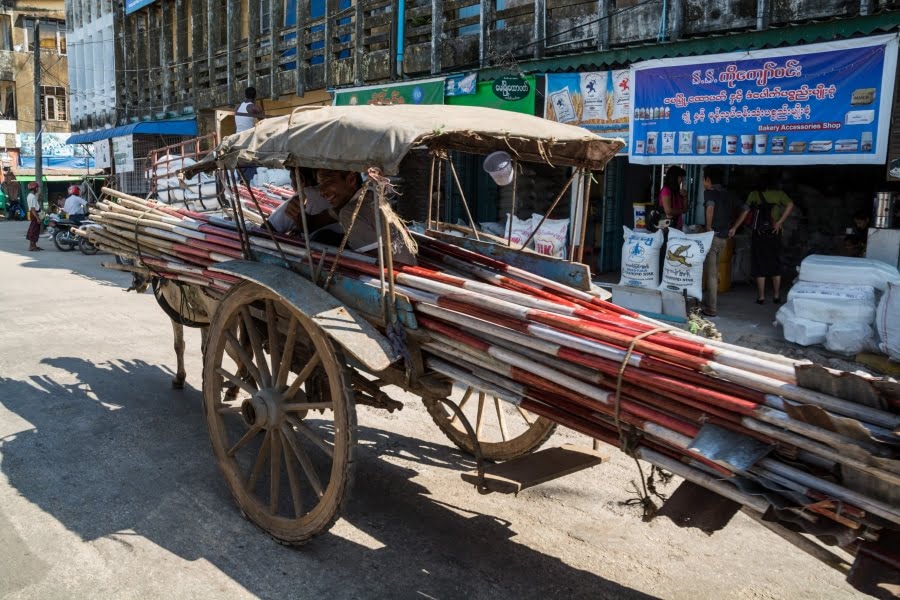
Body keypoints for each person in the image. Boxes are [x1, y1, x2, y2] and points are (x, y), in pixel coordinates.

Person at [735, 181, 795, 305]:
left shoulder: (754, 194)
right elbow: (790, 204)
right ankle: (777, 295)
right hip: (775, 231)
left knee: (759, 263)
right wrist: (780, 222)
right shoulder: (779, 194)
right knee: (775, 263)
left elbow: (745, 211)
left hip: (759, 233)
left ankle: (761, 297)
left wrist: (735, 227)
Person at [700, 166, 747, 317]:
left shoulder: (709, 193)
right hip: (724, 238)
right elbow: (746, 209)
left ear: (708, 179)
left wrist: (708, 227)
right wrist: (734, 228)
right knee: (716, 271)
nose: (703, 182)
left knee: (712, 273)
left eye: (703, 179)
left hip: (713, 237)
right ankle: (711, 302)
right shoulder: (729, 194)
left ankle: (711, 308)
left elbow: (710, 208)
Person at [658, 165, 686, 230]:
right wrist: (682, 210)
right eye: (680, 177)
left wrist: (685, 197)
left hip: (677, 226)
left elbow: (685, 209)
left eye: (682, 177)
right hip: (667, 227)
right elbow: (668, 211)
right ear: (674, 177)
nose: (681, 180)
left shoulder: (677, 192)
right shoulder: (666, 190)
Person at [25, 182, 42, 251]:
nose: (38, 189)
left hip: (35, 213)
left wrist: (39, 200)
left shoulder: (32, 196)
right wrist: (37, 218)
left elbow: (34, 205)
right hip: (34, 214)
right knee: (34, 230)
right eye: (37, 188)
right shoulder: (31, 196)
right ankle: (31, 246)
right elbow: (32, 209)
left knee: (35, 229)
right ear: (34, 188)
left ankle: (34, 245)